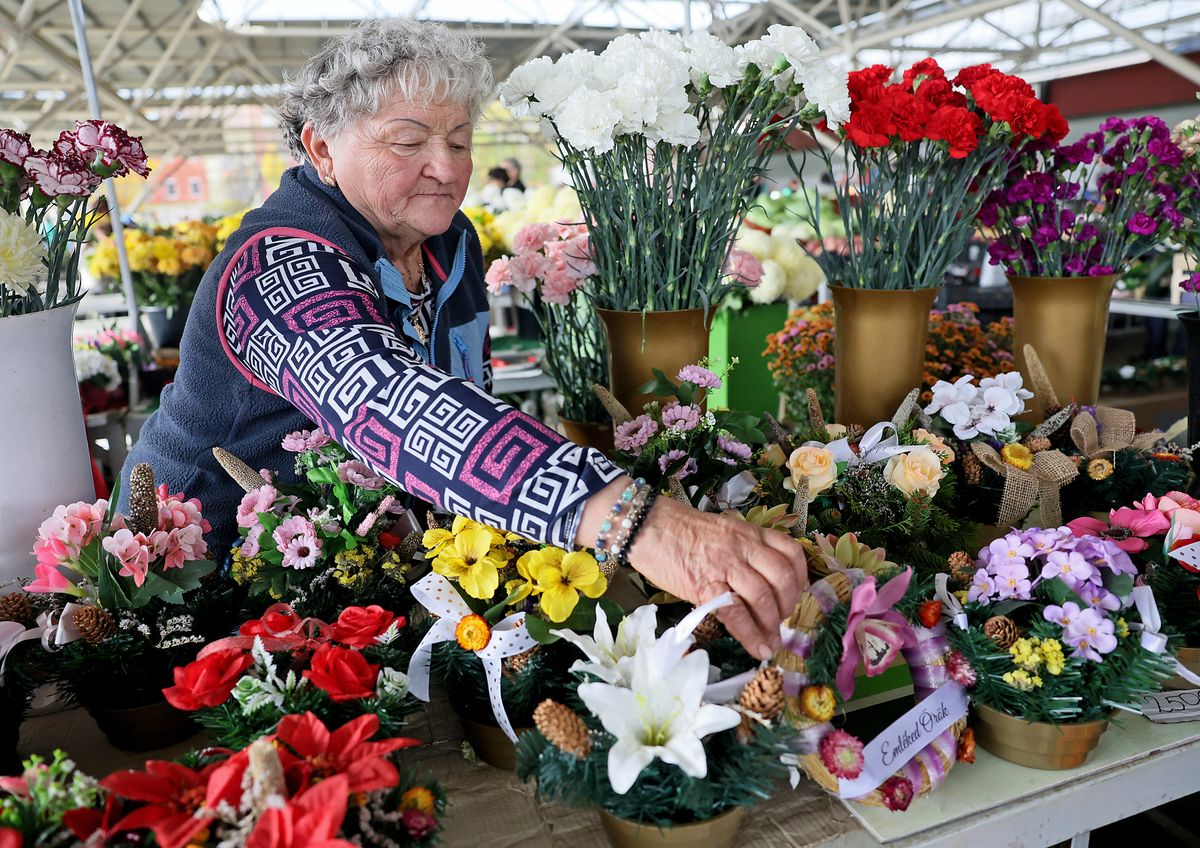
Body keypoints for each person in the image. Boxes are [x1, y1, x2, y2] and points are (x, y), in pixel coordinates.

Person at [119, 18, 806, 660]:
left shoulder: (451, 243)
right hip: (198, 590)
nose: (446, 168)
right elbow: (392, 404)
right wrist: (635, 522)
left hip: (360, 571)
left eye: (459, 140)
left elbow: (465, 395)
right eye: (409, 141)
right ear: (322, 149)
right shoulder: (274, 267)